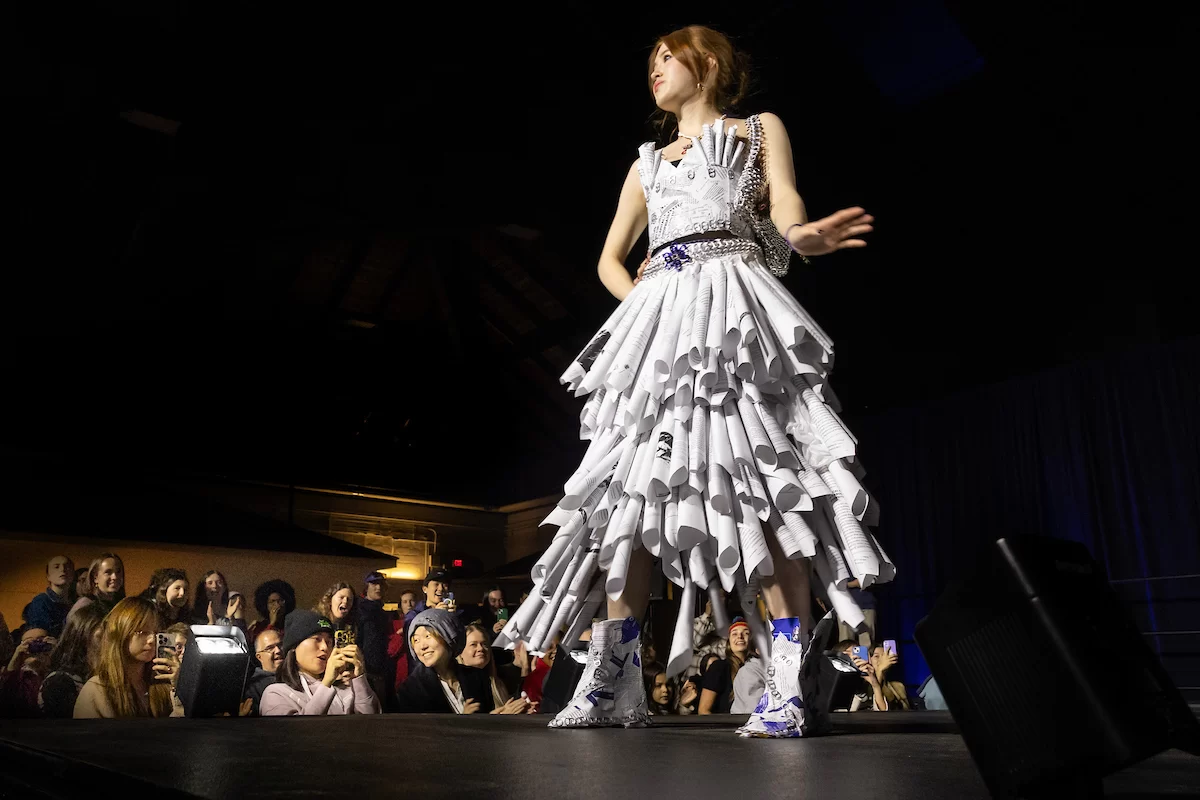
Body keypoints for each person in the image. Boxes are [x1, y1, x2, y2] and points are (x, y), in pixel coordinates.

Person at [494, 24, 891, 738]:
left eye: (665, 58)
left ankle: (787, 681)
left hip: (736, 313)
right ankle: (616, 681)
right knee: (632, 499)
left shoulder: (757, 129)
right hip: (663, 331)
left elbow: (786, 206)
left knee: (767, 486)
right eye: (650, 61)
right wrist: (643, 308)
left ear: (706, 63)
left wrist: (802, 236)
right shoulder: (646, 163)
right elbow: (610, 260)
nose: (654, 70)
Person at [74, 597, 182, 718]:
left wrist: (179, 686)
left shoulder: (161, 684)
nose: (152, 640)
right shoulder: (96, 690)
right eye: (142, 632)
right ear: (122, 633)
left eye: (156, 632)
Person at [260, 610, 381, 716]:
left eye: (329, 642)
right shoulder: (276, 693)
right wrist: (326, 683)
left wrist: (359, 678)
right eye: (316, 639)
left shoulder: (346, 688)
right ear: (294, 647)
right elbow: (297, 731)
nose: (324, 647)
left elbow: (372, 724)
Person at [395, 609, 493, 714]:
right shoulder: (411, 690)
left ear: (449, 636)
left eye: (428, 636)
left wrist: (496, 717)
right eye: (416, 640)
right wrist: (464, 720)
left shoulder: (477, 676)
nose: (423, 646)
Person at [39, 604, 105, 718]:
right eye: (101, 636)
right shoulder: (59, 682)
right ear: (82, 635)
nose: (110, 641)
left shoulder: (108, 674)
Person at [459, 623, 537, 714]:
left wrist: (525, 667)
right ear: (460, 651)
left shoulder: (500, 680)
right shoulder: (457, 685)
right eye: (473, 644)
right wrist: (503, 715)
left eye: (484, 644)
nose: (480, 648)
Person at [357, 571, 399, 704]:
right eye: (374, 584)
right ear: (366, 586)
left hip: (383, 670)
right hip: (367, 671)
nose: (378, 587)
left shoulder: (383, 612)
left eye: (381, 584)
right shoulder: (359, 610)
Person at [699, 617, 755, 714]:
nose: (740, 636)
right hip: (725, 723)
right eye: (734, 634)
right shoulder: (719, 667)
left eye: (746, 633)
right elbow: (703, 710)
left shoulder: (758, 668)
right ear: (729, 641)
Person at [1, 627, 55, 717]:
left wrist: (58, 649)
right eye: (29, 642)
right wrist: (16, 657)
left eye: (41, 640)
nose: (36, 645)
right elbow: (6, 690)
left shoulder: (57, 673)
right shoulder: (20, 676)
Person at [26, 555, 76, 638]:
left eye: (67, 567)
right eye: (56, 567)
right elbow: (39, 634)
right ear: (48, 576)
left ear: (73, 575)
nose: (62, 569)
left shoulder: (77, 602)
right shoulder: (41, 601)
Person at [69, 553, 126, 620]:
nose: (115, 577)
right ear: (95, 577)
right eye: (108, 572)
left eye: (118, 571)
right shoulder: (85, 605)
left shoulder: (120, 604)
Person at [243, 628, 284, 716]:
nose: (278, 650)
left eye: (280, 645)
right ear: (259, 657)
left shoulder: (299, 675)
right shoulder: (254, 688)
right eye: (270, 648)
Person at [247, 579, 296, 644]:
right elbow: (261, 644)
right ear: (265, 605)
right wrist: (272, 624)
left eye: (280, 601)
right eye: (272, 601)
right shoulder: (259, 627)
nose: (277, 605)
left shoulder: (293, 624)